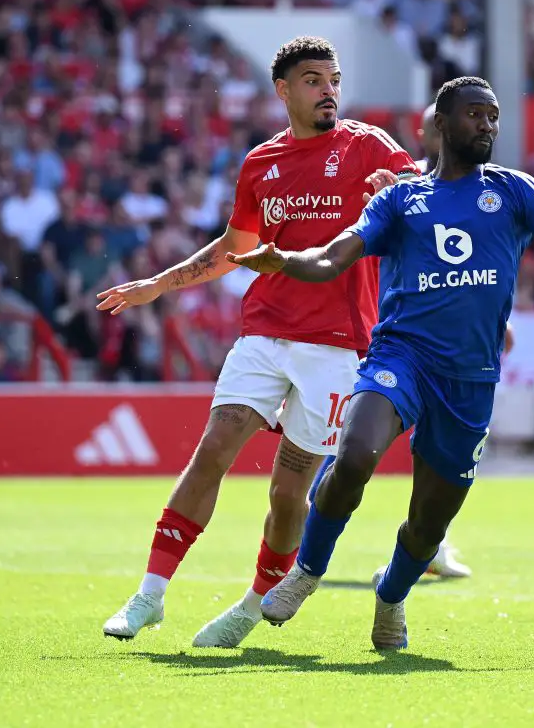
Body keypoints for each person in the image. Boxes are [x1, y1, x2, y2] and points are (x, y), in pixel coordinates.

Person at [228, 77, 534, 649]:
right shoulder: (400, 200)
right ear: (441, 124)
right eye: (475, 114)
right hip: (401, 356)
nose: (488, 125)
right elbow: (334, 258)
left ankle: (391, 595)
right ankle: (306, 572)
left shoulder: (517, 192)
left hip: (470, 380)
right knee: (354, 455)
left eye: (494, 115)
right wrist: (283, 259)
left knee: (428, 524)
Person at [95, 37, 420, 648]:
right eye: (313, 80)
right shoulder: (260, 163)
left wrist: (400, 193)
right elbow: (234, 249)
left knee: (288, 490)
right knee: (213, 449)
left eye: (333, 79)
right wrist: (159, 284)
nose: (328, 90)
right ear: (283, 90)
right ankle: (149, 596)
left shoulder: (367, 146)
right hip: (265, 333)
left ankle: (250, 607)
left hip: (338, 347)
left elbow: (427, 195)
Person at [305, 101, 483, 580]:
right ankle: (317, 508)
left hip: (447, 343)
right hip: (391, 333)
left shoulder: (475, 186)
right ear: (428, 133)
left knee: (437, 450)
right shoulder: (401, 184)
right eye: (435, 129)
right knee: (359, 435)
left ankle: (432, 543)